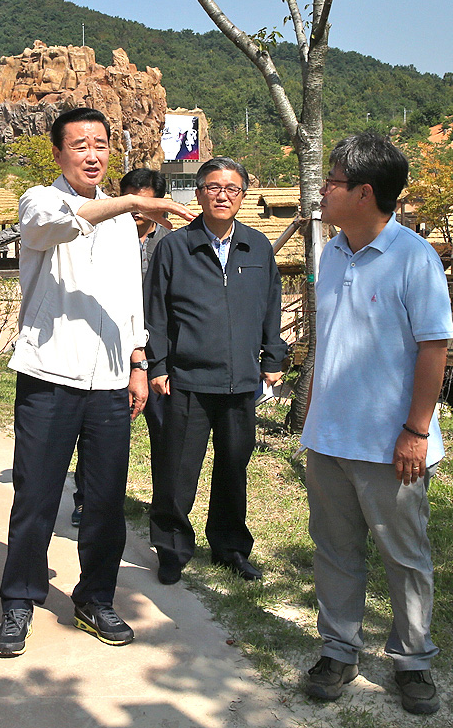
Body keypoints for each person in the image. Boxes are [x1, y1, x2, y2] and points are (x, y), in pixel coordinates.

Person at [0, 107, 191, 658]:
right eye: (79, 144)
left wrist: (136, 363)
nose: (92, 153)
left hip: (108, 382)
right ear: (58, 154)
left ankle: (94, 597)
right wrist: (128, 200)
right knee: (36, 496)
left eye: (100, 144)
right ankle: (18, 600)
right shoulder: (41, 200)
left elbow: (130, 298)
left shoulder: (126, 227)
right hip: (49, 375)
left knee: (104, 500)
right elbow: (51, 227)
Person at [301, 133, 453, 717]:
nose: (323, 190)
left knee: (404, 555)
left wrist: (416, 430)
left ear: (364, 193)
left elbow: (434, 346)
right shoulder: (332, 252)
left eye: (333, 182)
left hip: (391, 444)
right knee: (335, 550)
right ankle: (340, 649)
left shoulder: (414, 257)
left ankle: (413, 660)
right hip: (328, 436)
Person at [143, 157, 287, 586]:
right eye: (213, 187)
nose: (222, 195)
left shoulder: (257, 246)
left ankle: (229, 547)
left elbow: (270, 306)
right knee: (177, 470)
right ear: (199, 193)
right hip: (186, 378)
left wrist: (272, 359)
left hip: (242, 379)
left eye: (232, 188)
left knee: (233, 468)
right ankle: (171, 549)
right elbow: (156, 312)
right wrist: (159, 365)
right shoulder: (174, 246)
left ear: (243, 195)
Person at [71, 167, 167, 529]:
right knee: (98, 432)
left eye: (146, 200)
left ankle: (161, 505)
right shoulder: (101, 236)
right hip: (109, 349)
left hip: (156, 356)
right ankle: (87, 500)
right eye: (132, 199)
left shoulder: (171, 243)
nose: (138, 210)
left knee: (164, 434)